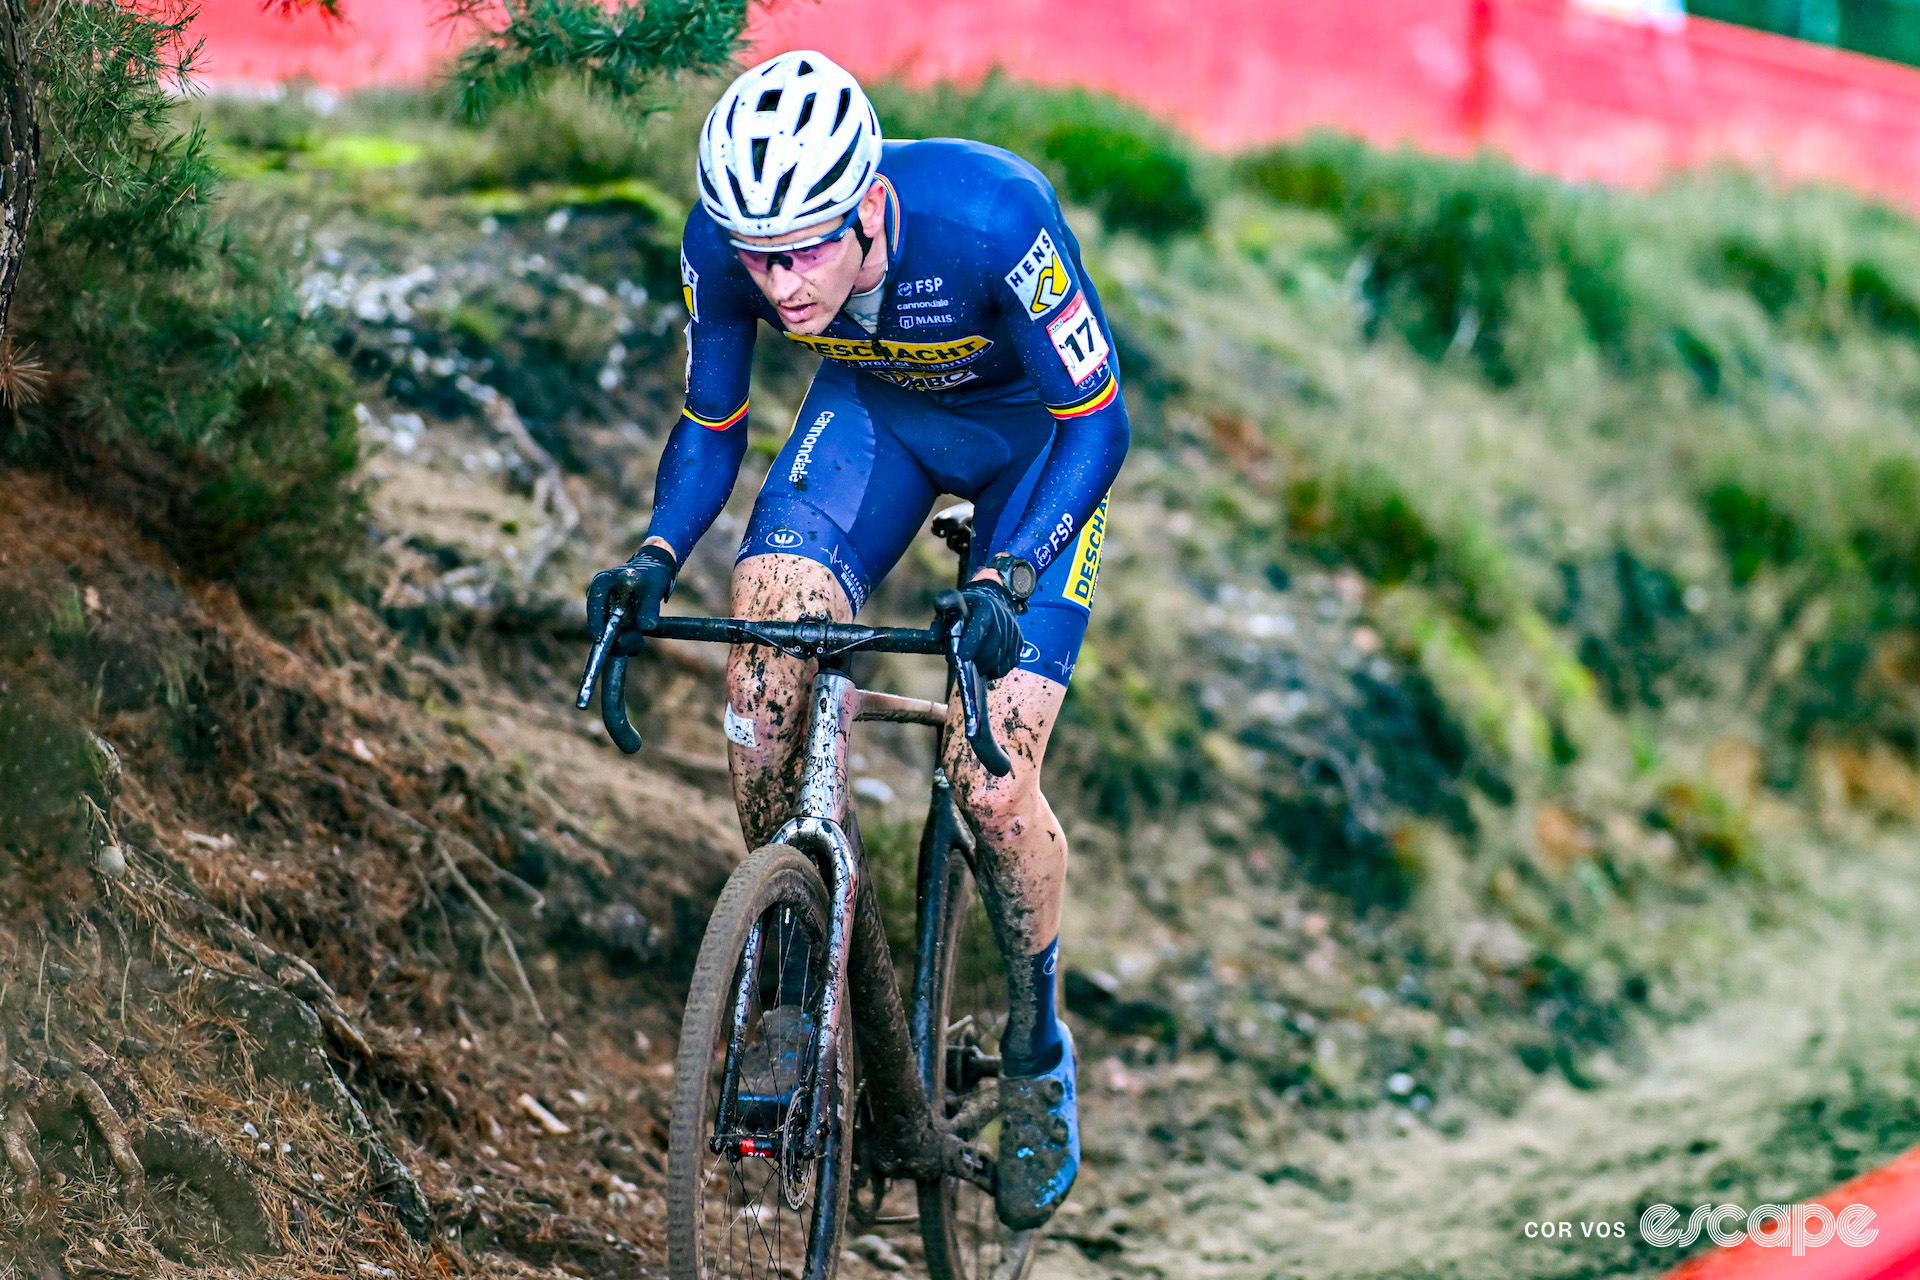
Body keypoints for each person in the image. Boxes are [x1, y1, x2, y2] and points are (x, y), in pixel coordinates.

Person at [585, 49, 1128, 1230]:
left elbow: (1101, 420)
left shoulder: (993, 221)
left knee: (989, 783)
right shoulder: (726, 247)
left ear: (872, 209)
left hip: (1035, 461)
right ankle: (791, 977)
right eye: (755, 253)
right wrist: (651, 561)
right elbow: (708, 420)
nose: (778, 285)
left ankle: (1039, 1049)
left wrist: (1011, 569)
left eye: (805, 250)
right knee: (763, 666)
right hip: (875, 427)